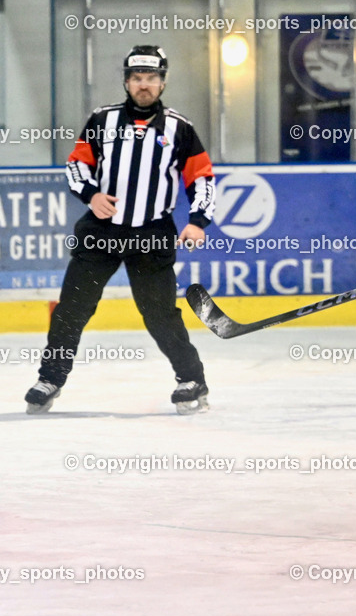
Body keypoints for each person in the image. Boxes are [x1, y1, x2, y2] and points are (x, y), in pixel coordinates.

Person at [25, 45, 215, 415]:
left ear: (162, 82)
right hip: (101, 232)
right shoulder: (102, 120)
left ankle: (191, 379)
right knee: (72, 310)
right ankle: (50, 379)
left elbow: (201, 177)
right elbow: (77, 166)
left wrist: (198, 221)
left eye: (152, 78)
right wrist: (90, 194)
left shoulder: (180, 128)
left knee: (159, 314)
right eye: (137, 78)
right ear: (127, 82)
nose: (144, 85)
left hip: (152, 235)